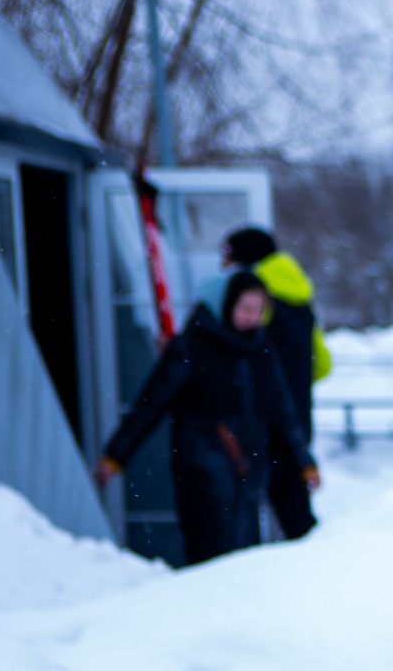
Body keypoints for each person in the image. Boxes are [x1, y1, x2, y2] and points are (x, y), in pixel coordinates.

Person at [93, 270, 317, 568]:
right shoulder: (193, 346)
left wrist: (304, 462)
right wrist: (115, 456)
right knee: (209, 563)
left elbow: (284, 412)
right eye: (246, 308)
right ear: (227, 305)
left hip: (247, 475)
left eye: (259, 310)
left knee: (246, 562)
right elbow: (150, 405)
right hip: (201, 476)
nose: (253, 317)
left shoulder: (261, 349)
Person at [222, 226, 329, 541]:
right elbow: (322, 363)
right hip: (298, 417)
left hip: (260, 419)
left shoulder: (253, 297)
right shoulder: (301, 297)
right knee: (294, 510)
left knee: (250, 514)